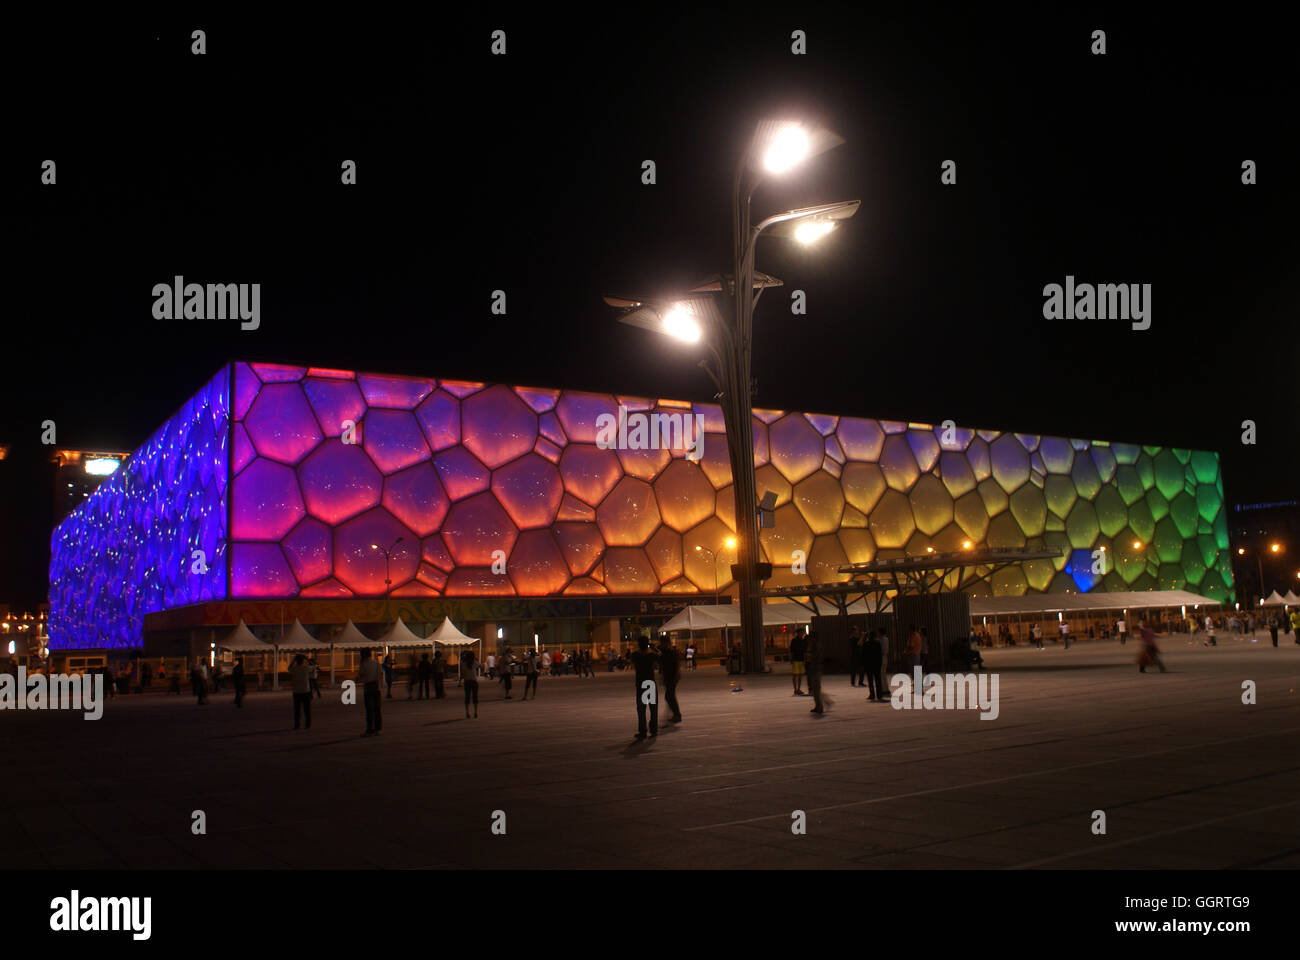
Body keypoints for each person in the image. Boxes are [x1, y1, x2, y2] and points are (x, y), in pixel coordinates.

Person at [630, 636, 660, 739]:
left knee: (641, 709)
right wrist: (653, 648)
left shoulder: (636, 655)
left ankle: (642, 731)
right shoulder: (652, 655)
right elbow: (660, 657)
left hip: (641, 684)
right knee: (653, 708)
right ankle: (654, 730)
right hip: (650, 683)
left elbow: (631, 657)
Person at [358, 649, 383, 736]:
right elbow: (380, 673)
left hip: (368, 686)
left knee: (369, 709)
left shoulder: (363, 664)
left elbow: (361, 674)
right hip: (376, 686)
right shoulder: (376, 662)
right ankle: (378, 728)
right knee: (377, 708)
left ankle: (370, 728)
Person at [658, 636, 682, 723]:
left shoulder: (672, 652)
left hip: (672, 676)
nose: (661, 644)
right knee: (669, 696)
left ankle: (677, 714)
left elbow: (677, 664)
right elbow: (662, 664)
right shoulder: (664, 652)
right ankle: (676, 714)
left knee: (669, 696)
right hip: (668, 676)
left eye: (662, 642)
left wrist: (677, 674)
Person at [806, 631, 827, 715]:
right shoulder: (814, 645)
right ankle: (818, 705)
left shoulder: (815, 646)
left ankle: (819, 706)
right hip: (814, 668)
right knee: (815, 689)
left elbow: (815, 657)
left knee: (816, 689)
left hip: (816, 669)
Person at [289, 654, 312, 729]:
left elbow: (289, 668)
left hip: (296, 691)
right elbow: (314, 666)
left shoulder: (294, 669)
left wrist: (293, 660)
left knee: (297, 710)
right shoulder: (306, 668)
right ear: (303, 661)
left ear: (296, 661)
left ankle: (297, 724)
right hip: (305, 691)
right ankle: (307, 724)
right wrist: (307, 659)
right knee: (307, 710)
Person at [863, 629, 885, 701]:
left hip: (869, 665)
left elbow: (864, 656)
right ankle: (879, 695)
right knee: (878, 681)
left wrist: (864, 665)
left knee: (870, 681)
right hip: (876, 665)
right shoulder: (877, 643)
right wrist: (880, 663)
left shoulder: (866, 644)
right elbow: (880, 655)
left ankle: (872, 694)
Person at [461, 649, 479, 718]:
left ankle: (467, 713)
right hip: (474, 681)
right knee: (475, 697)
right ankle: (475, 712)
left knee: (467, 697)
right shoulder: (475, 662)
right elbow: (480, 666)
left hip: (467, 682)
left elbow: (462, 674)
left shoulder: (463, 664)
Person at [789, 629, 807, 696]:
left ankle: (798, 689)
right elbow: (791, 650)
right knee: (795, 675)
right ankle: (795, 689)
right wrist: (791, 658)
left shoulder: (803, 641)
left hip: (801, 659)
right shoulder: (794, 641)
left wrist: (805, 659)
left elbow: (804, 651)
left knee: (799, 675)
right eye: (801, 632)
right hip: (796, 659)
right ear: (798, 633)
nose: (802, 634)